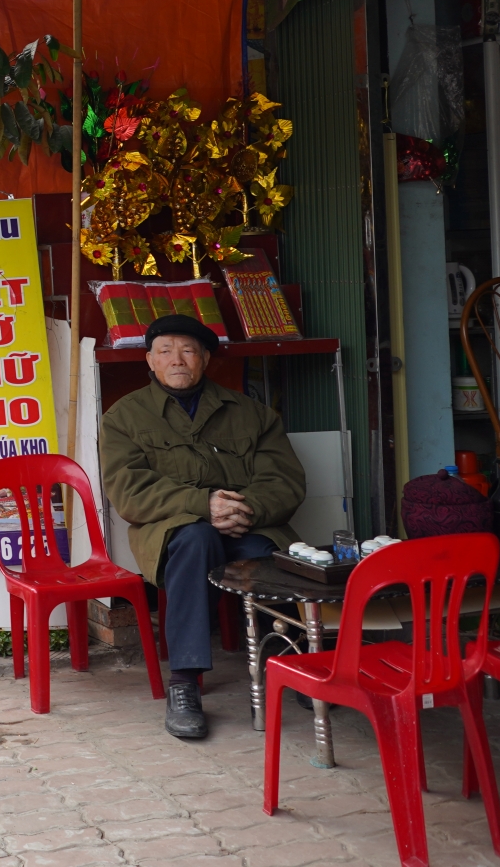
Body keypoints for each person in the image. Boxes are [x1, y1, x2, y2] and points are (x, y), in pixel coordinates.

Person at [100, 313, 306, 741]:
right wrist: (203, 506)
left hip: (246, 524)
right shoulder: (125, 417)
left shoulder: (250, 413)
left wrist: (243, 510)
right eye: (165, 351)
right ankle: (184, 683)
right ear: (150, 361)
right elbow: (129, 492)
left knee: (270, 556)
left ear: (205, 359)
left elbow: (285, 482)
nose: (177, 359)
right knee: (196, 539)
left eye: (188, 350)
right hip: (173, 529)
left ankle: (296, 663)